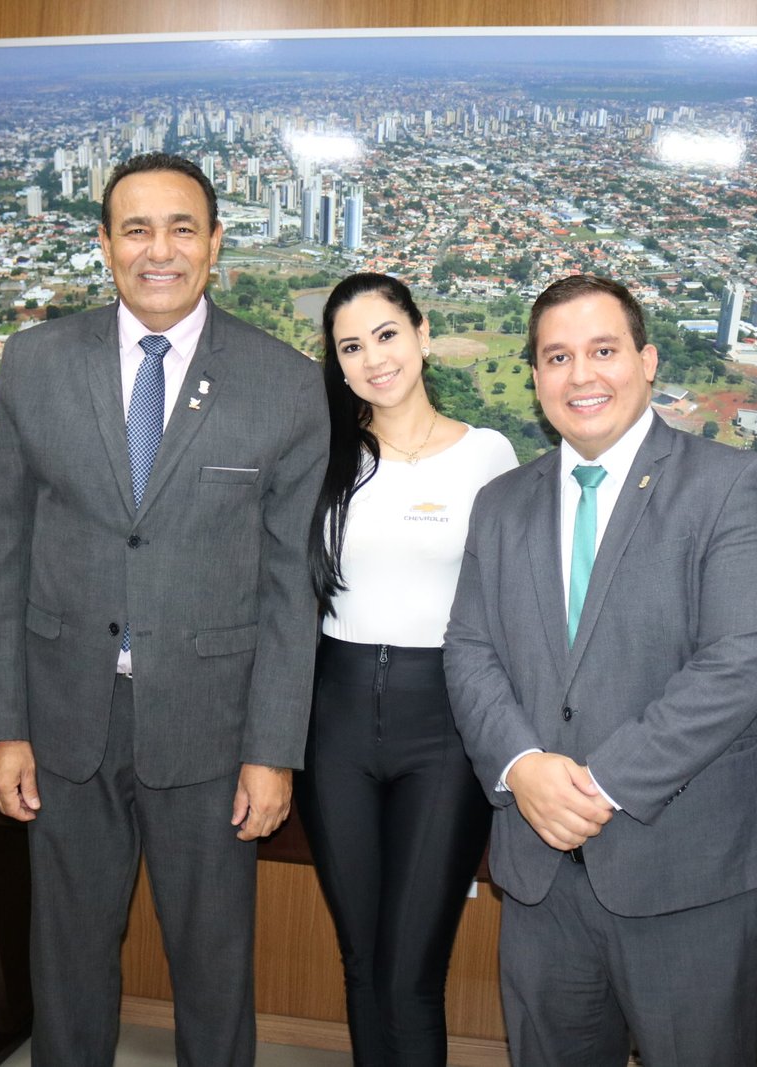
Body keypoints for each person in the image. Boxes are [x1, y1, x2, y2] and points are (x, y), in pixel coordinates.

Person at [0, 152, 328, 1065]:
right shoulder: (35, 362)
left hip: (211, 728)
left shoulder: (284, 382)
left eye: (180, 228)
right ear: (104, 244)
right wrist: (1, 726)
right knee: (68, 959)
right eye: (135, 229)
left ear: (215, 243)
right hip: (62, 719)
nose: (157, 250)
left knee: (213, 966)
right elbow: (1, 555)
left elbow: (292, 588)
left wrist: (271, 751)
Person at [444, 274, 757, 1065]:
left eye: (603, 350)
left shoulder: (732, 485)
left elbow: (739, 661)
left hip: (693, 871)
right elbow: (470, 649)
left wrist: (597, 785)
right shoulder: (501, 502)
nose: (582, 375)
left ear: (645, 361)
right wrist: (522, 767)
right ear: (537, 376)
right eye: (557, 356)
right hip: (541, 872)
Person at [296, 273, 517, 1065]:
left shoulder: (490, 454)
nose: (372, 358)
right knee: (362, 961)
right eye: (351, 347)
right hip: (336, 722)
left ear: (422, 333)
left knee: (412, 969)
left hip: (448, 729)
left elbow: (516, 604)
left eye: (386, 334)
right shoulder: (322, 455)